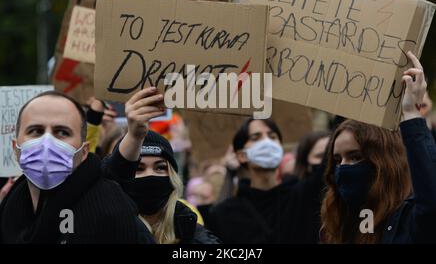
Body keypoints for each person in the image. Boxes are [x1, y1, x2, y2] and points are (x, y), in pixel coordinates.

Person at [0, 91, 154, 244]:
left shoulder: (115, 211)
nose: (46, 142)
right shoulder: (7, 210)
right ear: (16, 148)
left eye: (62, 132)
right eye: (36, 131)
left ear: (84, 151)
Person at [320, 51, 436, 243]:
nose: (344, 167)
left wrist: (412, 113)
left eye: (356, 157)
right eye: (338, 160)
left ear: (384, 160)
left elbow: (431, 203)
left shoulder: (409, 222)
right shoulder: (339, 221)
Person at [102, 87, 220, 244]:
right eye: (139, 168)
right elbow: (106, 176)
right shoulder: (103, 228)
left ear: (172, 175)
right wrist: (134, 136)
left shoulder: (192, 230)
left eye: (160, 168)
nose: (150, 174)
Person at [206, 117, 325, 243]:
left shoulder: (303, 196)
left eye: (272, 137)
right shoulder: (224, 214)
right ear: (241, 156)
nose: (267, 142)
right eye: (256, 138)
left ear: (280, 148)